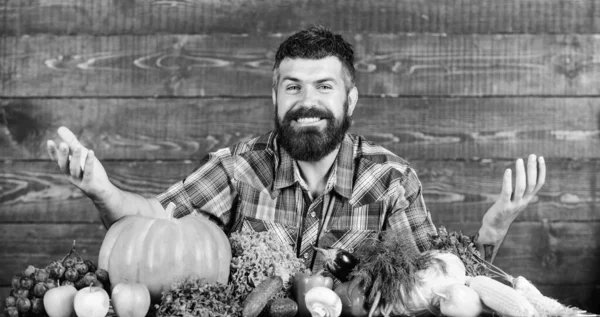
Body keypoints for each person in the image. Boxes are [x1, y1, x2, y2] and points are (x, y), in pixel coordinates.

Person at [47, 26, 545, 270]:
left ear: (351, 98)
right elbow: (153, 219)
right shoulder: (241, 168)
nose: (308, 102)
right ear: (275, 95)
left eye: (324, 87)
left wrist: (493, 226)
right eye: (293, 87)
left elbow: (440, 282)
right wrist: (102, 190)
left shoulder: (392, 181)